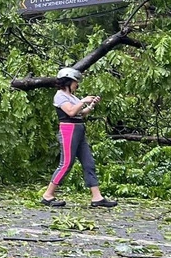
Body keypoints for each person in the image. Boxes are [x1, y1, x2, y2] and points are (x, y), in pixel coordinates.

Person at [40, 67, 117, 209]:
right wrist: (83, 101)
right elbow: (70, 112)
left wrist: (91, 105)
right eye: (75, 81)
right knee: (66, 163)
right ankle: (48, 195)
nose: (77, 84)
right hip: (69, 130)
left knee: (89, 162)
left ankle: (97, 197)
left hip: (79, 129)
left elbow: (80, 114)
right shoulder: (60, 95)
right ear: (68, 81)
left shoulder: (73, 97)